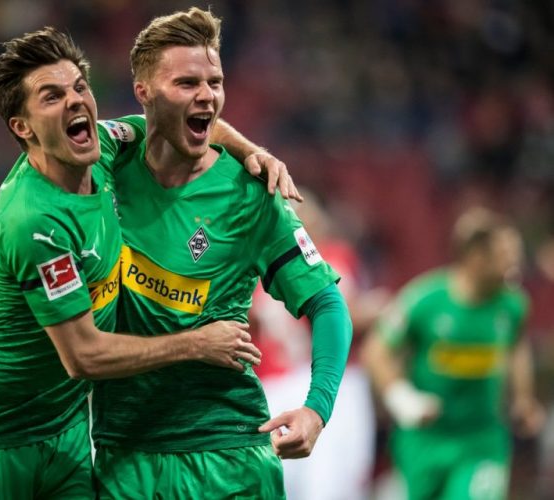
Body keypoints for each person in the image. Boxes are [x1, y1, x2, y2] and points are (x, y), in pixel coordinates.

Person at [0, 26, 280, 499]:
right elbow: (84, 356)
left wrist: (252, 152)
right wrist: (196, 343)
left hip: (64, 436)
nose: (75, 101)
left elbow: (170, 119)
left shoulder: (102, 148)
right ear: (22, 127)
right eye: (52, 96)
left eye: (79, 88)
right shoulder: (35, 221)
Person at [91, 8, 352, 499]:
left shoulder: (251, 194)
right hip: (124, 456)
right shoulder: (108, 166)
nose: (207, 95)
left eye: (215, 82)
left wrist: (317, 410)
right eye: (187, 82)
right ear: (143, 91)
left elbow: (327, 304)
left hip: (227, 456)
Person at [361, 206, 546, 500]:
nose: (515, 264)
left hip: (481, 440)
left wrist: (523, 397)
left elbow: (516, 345)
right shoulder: (424, 299)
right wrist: (402, 398)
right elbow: (376, 350)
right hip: (425, 440)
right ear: (475, 256)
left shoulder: (513, 305)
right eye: (505, 254)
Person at [253, 189, 390, 499]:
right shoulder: (329, 254)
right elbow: (340, 312)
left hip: (272, 387)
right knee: (330, 487)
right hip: (321, 386)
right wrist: (379, 308)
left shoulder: (254, 266)